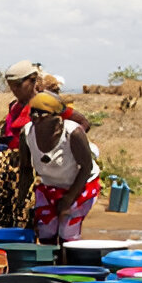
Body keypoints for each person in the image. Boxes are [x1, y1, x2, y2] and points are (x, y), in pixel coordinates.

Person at [20, 92, 100, 243]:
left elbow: (86, 167)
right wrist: (21, 199)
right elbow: (25, 169)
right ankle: (49, 265)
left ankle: (67, 265)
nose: (35, 116)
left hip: (81, 185)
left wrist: (69, 198)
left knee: (67, 233)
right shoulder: (27, 133)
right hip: (50, 186)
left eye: (42, 113)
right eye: (33, 111)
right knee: (45, 231)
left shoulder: (73, 134)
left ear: (56, 117)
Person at [0, 60, 42, 230]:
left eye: (18, 85)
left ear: (32, 80)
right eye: (11, 86)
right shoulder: (15, 106)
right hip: (8, 175)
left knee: (25, 214)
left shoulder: (42, 106)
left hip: (27, 171)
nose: (14, 90)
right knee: (4, 217)